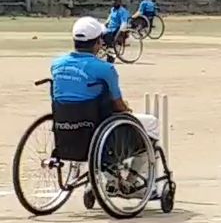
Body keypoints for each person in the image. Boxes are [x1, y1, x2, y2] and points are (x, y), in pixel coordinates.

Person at [52, 17, 161, 194]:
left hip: (66, 126)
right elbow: (118, 105)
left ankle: (111, 179)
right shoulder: (105, 69)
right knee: (151, 124)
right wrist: (127, 109)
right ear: (98, 42)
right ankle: (133, 182)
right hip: (98, 128)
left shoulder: (56, 65)